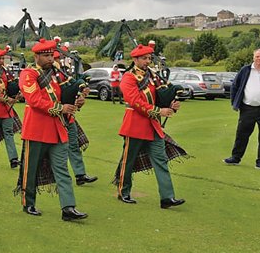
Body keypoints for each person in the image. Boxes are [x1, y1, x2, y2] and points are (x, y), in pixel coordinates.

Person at [18, 39, 87, 221]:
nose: (51, 59)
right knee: (30, 169)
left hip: (58, 128)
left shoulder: (57, 75)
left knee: (62, 169)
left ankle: (68, 208)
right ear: (36, 56)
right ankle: (29, 202)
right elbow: (34, 101)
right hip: (37, 128)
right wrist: (60, 108)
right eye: (47, 56)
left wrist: (76, 101)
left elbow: (64, 96)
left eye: (52, 55)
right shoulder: (28, 74)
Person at [115, 44, 185, 209]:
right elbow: (135, 102)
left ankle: (167, 197)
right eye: (144, 58)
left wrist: (171, 104)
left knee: (160, 161)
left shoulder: (153, 75)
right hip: (135, 125)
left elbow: (159, 96)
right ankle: (123, 192)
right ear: (135, 59)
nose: (148, 61)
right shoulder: (128, 77)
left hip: (153, 125)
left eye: (149, 58)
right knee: (128, 161)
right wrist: (159, 111)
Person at [53, 51, 98, 186]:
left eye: (58, 58)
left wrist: (80, 98)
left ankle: (80, 174)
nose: (58, 61)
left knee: (73, 146)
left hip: (68, 117)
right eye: (55, 58)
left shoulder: (64, 74)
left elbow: (73, 90)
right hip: (52, 117)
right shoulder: (45, 76)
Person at [224, 48, 260, 169]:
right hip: (247, 108)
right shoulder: (245, 70)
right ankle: (235, 157)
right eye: (257, 57)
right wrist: (235, 104)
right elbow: (235, 86)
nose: (259, 59)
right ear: (253, 58)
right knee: (242, 134)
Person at [0, 47, 21, 169]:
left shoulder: (7, 72)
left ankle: (13, 159)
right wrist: (8, 99)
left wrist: (17, 95)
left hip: (6, 109)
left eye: (2, 58)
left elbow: (13, 84)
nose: (1, 61)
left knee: (9, 133)